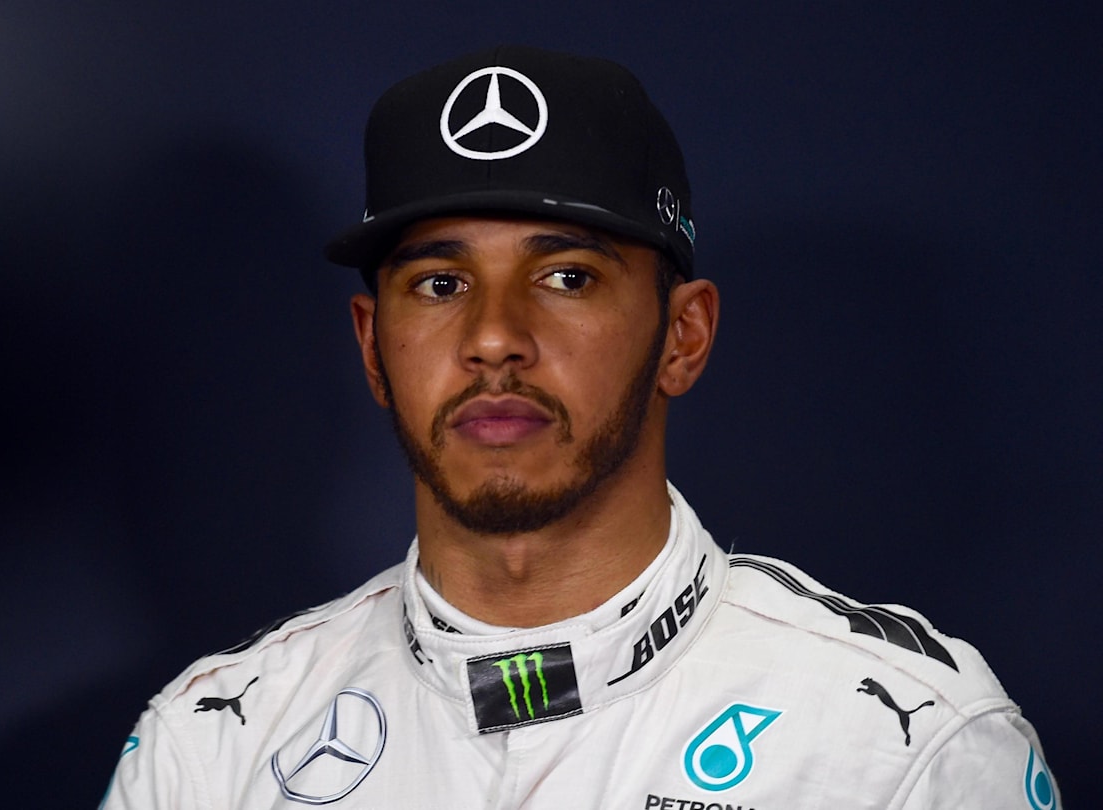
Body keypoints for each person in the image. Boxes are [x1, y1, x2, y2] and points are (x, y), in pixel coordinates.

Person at [99, 45, 1059, 809]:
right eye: (439, 284)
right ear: (370, 347)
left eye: (567, 277)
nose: (493, 339)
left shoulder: (903, 749)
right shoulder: (213, 749)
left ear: (685, 336)